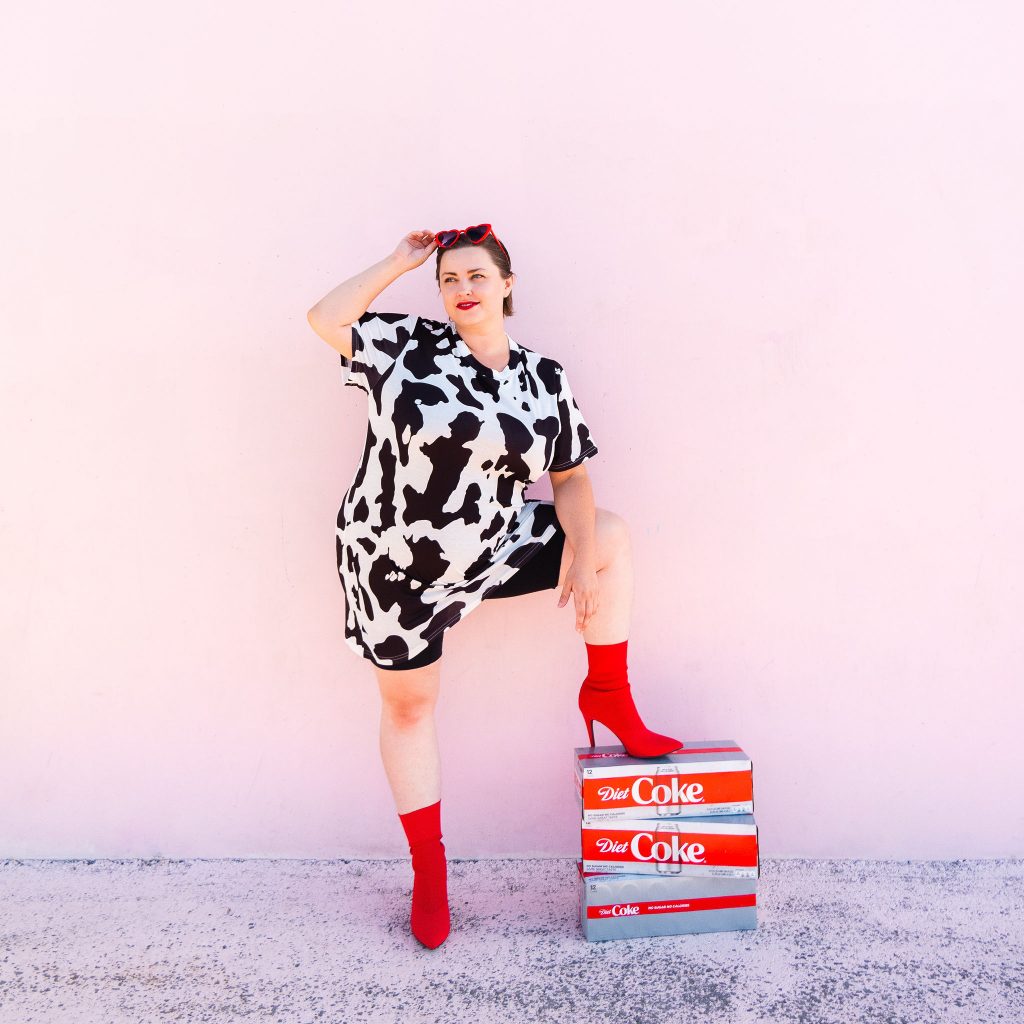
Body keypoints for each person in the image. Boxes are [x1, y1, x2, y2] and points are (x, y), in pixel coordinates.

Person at [306, 225, 682, 949]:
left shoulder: (543, 378)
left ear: (507, 285)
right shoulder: (406, 347)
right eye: (449, 280)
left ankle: (609, 694)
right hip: (394, 561)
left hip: (493, 543)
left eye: (476, 276)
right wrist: (398, 262)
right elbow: (326, 320)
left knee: (609, 534)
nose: (462, 290)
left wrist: (575, 547)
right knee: (412, 708)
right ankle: (430, 867)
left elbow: (569, 477)